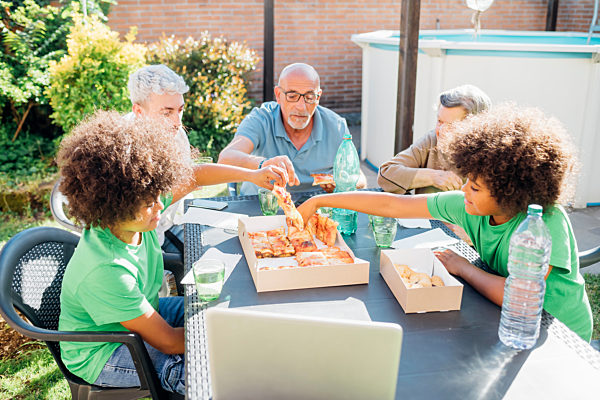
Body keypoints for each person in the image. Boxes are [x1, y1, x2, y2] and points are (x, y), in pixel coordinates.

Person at [298, 104, 593, 342]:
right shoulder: (469, 203)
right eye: (467, 182)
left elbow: (514, 294)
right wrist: (319, 201)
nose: (464, 191)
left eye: (475, 187)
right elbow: (391, 203)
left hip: (557, 330)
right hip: (507, 321)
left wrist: (463, 267)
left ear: (509, 193)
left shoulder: (544, 222)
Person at [57, 111, 287, 394]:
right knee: (206, 375)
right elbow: (168, 342)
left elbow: (194, 176)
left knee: (220, 313)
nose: (159, 206)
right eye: (148, 202)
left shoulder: (138, 205)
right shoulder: (106, 269)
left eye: (158, 194)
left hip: (143, 310)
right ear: (114, 204)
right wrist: (229, 336)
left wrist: (253, 174)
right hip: (105, 351)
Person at [218, 62, 366, 195]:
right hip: (260, 207)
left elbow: (360, 178)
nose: (301, 107)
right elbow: (225, 159)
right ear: (278, 95)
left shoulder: (336, 125)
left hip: (317, 212)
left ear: (318, 97)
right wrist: (263, 164)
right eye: (292, 96)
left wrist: (341, 184)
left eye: (309, 97)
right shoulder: (261, 119)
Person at [378, 84, 491, 194]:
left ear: (476, 128)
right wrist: (433, 177)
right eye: (440, 121)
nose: (441, 131)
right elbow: (386, 174)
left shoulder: (492, 156)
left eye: (452, 126)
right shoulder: (431, 141)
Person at [127, 64, 191, 255]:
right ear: (139, 111)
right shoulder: (120, 149)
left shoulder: (178, 136)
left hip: (167, 228)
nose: (177, 122)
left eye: (180, 110)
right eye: (167, 112)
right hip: (134, 244)